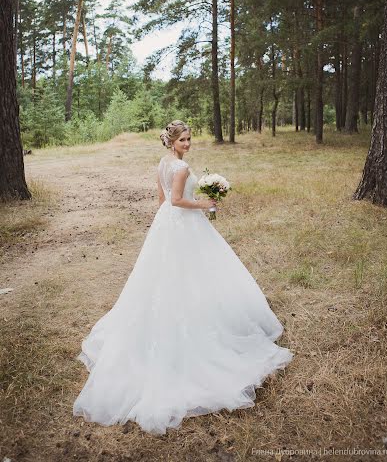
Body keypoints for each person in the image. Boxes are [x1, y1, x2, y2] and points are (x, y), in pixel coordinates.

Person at [73, 120, 294, 435]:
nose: (189, 143)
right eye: (184, 139)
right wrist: (205, 203)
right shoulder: (182, 168)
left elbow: (162, 203)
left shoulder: (162, 163)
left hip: (165, 224)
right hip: (183, 223)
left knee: (167, 278)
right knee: (195, 273)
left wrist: (175, 218)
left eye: (190, 139)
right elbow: (176, 201)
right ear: (173, 141)